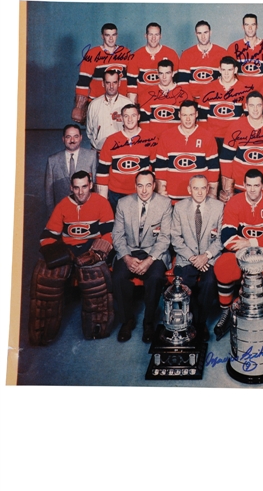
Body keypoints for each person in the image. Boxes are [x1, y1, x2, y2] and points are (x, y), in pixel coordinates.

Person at [30, 170, 115, 345]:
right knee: (46, 276)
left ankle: (96, 328)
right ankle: (42, 332)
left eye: (84, 186)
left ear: (91, 185)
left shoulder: (101, 202)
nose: (81, 192)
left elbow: (110, 235)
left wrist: (96, 253)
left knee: (94, 276)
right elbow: (47, 236)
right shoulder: (62, 205)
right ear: (71, 188)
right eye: (76, 188)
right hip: (68, 248)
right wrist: (60, 254)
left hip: (91, 246)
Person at [213, 168, 263, 341]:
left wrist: (250, 242)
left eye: (256, 185)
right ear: (243, 185)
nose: (252, 190)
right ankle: (225, 312)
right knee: (223, 265)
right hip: (241, 254)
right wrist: (260, 245)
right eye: (248, 185)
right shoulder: (234, 202)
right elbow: (227, 238)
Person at [112, 171, 173, 343]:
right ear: (135, 186)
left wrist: (149, 260)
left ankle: (149, 323)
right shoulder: (123, 203)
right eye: (140, 185)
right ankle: (127, 321)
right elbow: (117, 235)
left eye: (148, 185)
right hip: (130, 250)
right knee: (118, 277)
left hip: (154, 252)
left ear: (154, 185)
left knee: (154, 278)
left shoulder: (164, 204)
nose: (144, 190)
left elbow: (165, 237)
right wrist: (126, 258)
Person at [170, 174, 224, 341]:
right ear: (189, 190)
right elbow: (176, 239)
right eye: (195, 188)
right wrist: (194, 258)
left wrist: (206, 256)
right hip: (187, 257)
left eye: (203, 188)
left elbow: (223, 237)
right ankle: (191, 318)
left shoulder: (219, 206)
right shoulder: (179, 208)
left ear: (208, 189)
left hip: (210, 257)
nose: (200, 192)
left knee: (209, 282)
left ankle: (200, 323)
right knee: (186, 281)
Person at [219, 91, 263, 202]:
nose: (255, 109)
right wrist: (228, 189)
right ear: (246, 106)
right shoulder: (236, 126)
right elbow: (226, 159)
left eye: (258, 105)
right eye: (252, 105)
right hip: (240, 187)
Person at [96, 103, 158, 211]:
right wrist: (103, 199)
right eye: (126, 116)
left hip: (142, 193)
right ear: (121, 118)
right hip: (116, 194)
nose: (130, 119)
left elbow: (156, 168)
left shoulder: (151, 138)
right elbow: (103, 172)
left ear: (138, 117)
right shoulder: (111, 140)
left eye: (133, 115)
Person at [155, 100, 219, 203]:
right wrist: (161, 191)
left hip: (199, 198)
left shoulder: (207, 136)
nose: (188, 119)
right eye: (184, 115)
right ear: (179, 115)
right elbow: (161, 167)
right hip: (173, 198)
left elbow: (213, 168)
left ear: (196, 114)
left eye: (191, 115)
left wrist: (212, 193)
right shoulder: (167, 136)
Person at [72, 22, 133, 123]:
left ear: (117, 35)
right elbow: (83, 82)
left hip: (121, 103)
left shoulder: (125, 53)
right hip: (97, 102)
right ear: (102, 36)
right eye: (107, 35)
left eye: (113, 35)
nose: (111, 38)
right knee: (98, 136)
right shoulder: (92, 53)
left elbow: (132, 80)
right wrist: (79, 107)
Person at [196, 55, 253, 143]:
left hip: (235, 136)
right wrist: (205, 135)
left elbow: (248, 116)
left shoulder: (244, 89)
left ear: (235, 70)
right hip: (213, 136)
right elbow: (202, 116)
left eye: (229, 70)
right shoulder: (209, 88)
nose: (226, 73)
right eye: (223, 70)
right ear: (219, 69)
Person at [45, 124, 97, 215]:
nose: (72, 140)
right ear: (63, 139)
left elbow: (96, 186)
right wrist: (52, 214)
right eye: (68, 137)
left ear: (81, 138)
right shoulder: (53, 160)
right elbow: (48, 191)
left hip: (87, 211)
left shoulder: (91, 156)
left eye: (75, 136)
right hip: (62, 212)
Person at [126, 22, 180, 105]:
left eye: (156, 35)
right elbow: (132, 88)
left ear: (160, 36)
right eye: (151, 34)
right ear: (146, 35)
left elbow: (176, 83)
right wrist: (133, 108)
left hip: (167, 102)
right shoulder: (136, 56)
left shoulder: (171, 54)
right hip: (144, 103)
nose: (153, 38)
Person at [138, 59, 193, 137]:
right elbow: (144, 124)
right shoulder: (147, 94)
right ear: (157, 74)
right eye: (161, 73)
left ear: (173, 73)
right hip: (154, 140)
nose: (164, 77)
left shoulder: (185, 94)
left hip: (176, 139)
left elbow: (188, 122)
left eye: (167, 73)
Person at [86, 69, 132, 151]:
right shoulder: (94, 105)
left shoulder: (127, 103)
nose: (111, 86)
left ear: (119, 83)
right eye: (108, 83)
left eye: (114, 82)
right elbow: (89, 131)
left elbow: (132, 129)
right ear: (103, 83)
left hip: (121, 151)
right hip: (99, 150)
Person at [226, 13, 263, 90]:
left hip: (261, 95)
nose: (250, 28)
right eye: (247, 25)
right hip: (240, 94)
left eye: (253, 25)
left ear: (257, 26)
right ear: (243, 27)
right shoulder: (233, 47)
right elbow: (228, 75)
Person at [177, 20, 227, 92]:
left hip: (214, 99)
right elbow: (182, 82)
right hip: (193, 101)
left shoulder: (222, 53)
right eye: (199, 33)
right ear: (195, 34)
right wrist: (190, 102)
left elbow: (226, 81)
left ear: (210, 32)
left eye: (205, 32)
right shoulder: (187, 54)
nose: (203, 36)